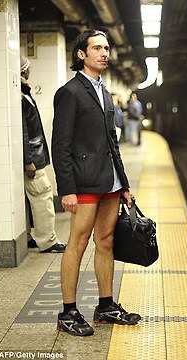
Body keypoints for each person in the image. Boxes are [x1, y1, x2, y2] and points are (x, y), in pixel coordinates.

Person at [51, 29, 141, 336]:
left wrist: (125, 184)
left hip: (111, 183)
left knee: (105, 242)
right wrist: (67, 189)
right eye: (97, 48)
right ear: (82, 54)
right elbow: (60, 145)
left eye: (106, 48)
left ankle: (106, 306)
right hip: (85, 183)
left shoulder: (105, 93)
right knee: (77, 243)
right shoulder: (70, 92)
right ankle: (68, 312)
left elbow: (112, 142)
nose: (104, 53)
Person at [20, 55, 66, 254]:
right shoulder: (21, 96)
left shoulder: (23, 93)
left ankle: (31, 236)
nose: (30, 71)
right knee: (43, 197)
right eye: (28, 67)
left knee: (31, 200)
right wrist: (29, 160)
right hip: (33, 160)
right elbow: (23, 130)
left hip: (34, 157)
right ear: (24, 71)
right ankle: (48, 241)